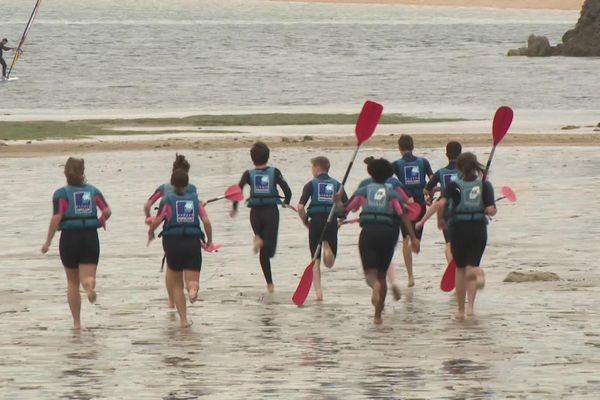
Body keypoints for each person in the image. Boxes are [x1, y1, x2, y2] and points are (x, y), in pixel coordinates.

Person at [336, 158, 420, 325]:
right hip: (388, 234)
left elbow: (345, 209)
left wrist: (338, 200)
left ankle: (374, 288)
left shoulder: (364, 190)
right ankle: (377, 316)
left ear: (370, 173)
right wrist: (413, 237)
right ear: (389, 174)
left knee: (371, 276)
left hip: (369, 233)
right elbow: (402, 214)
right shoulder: (393, 194)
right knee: (382, 275)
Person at [41, 157, 111, 330]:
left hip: (69, 238)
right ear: (83, 172)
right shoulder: (93, 192)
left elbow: (57, 217)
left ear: (66, 173)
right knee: (87, 276)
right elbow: (107, 210)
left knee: (72, 282)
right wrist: (101, 221)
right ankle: (89, 285)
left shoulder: (61, 194)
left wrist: (48, 241)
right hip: (89, 236)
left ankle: (77, 324)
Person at [148, 169, 213, 328]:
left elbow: (157, 222)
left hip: (173, 243)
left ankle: (183, 320)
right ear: (186, 184)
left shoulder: (167, 201)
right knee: (192, 281)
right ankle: (192, 290)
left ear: (172, 184)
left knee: (177, 284)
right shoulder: (195, 201)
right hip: (192, 243)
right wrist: (209, 241)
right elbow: (206, 222)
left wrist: (150, 233)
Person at [436, 152, 496, 321]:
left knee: (460, 269)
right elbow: (492, 210)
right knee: (471, 265)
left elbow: (441, 203)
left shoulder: (453, 185)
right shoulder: (485, 185)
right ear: (476, 166)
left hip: (458, 230)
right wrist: (483, 208)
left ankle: (462, 311)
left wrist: (440, 219)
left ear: (459, 167)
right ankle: (471, 305)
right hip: (478, 229)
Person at [231, 141, 292, 293]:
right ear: (268, 156)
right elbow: (288, 191)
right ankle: (260, 242)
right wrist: (286, 202)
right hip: (271, 212)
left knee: (262, 246)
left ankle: (270, 284)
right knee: (269, 251)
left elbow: (237, 191)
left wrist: (235, 208)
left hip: (255, 214)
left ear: (252, 159)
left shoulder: (248, 174)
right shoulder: (275, 172)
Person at [144, 154, 197, 308]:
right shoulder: (192, 188)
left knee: (171, 268)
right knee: (188, 266)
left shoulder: (163, 188)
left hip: (169, 231)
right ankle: (190, 290)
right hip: (189, 232)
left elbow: (148, 205)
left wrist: (149, 220)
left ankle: (172, 300)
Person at [357, 157, 412, 301]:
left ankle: (378, 289)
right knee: (386, 257)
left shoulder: (365, 184)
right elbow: (408, 201)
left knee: (373, 264)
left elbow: (356, 205)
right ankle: (392, 282)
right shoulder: (395, 183)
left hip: (371, 225)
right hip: (392, 225)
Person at [297, 156, 346, 301]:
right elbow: (347, 205)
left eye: (312, 167)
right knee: (330, 263)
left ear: (317, 168)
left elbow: (300, 207)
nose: (312, 171)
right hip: (331, 222)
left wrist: (306, 221)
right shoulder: (338, 185)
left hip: (315, 222)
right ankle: (327, 246)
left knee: (315, 261)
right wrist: (341, 220)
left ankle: (319, 295)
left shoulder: (310, 185)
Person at [393, 134, 433, 287]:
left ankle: (410, 276)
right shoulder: (423, 162)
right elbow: (432, 179)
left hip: (405, 207)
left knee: (406, 239)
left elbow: (386, 178)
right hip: (421, 206)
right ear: (412, 146)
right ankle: (415, 241)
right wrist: (430, 195)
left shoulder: (397, 164)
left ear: (400, 148)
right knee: (415, 240)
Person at [417, 141, 462, 263]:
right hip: (462, 211)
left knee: (449, 243)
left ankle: (451, 269)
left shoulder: (440, 172)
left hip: (446, 212)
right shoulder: (465, 172)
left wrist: (430, 196)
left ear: (446, 154)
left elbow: (426, 189)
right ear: (461, 154)